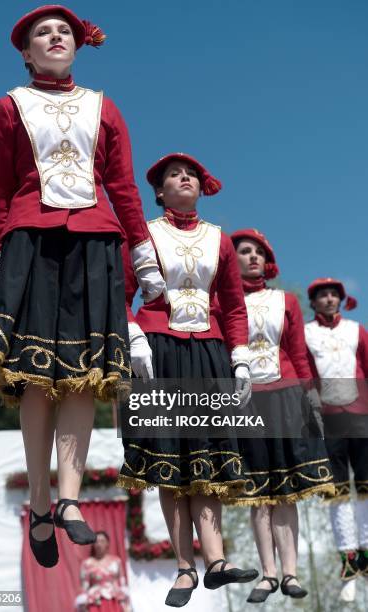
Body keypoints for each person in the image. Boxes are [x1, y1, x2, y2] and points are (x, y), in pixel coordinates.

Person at [0, 5, 165, 568]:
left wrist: (144, 253)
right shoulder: (9, 106)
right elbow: (5, 184)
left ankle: (68, 499)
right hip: (30, 238)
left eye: (64, 31)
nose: (55, 37)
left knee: (83, 378)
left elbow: (123, 185)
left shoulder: (103, 106)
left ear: (77, 45)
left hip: (95, 239)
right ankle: (39, 501)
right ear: (26, 51)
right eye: (43, 32)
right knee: (35, 376)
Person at [117, 153, 258, 607]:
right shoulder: (143, 234)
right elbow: (120, 293)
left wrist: (239, 357)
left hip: (210, 351)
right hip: (158, 352)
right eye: (174, 175)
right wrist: (134, 336)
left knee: (207, 461)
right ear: (158, 191)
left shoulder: (219, 239)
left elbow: (234, 305)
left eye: (192, 174)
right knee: (169, 463)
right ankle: (183, 567)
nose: (185, 178)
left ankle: (215, 562)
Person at [229, 229, 335, 603]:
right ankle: (267, 574)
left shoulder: (285, 300)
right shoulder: (224, 302)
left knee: (286, 490)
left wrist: (311, 396)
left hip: (286, 395)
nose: (253, 257)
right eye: (245, 251)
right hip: (245, 401)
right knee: (258, 492)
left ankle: (290, 572)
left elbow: (297, 351)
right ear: (233, 257)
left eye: (259, 251)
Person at [305, 278, 368, 598]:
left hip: (362, 415)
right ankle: (349, 563)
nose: (329, 300)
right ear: (313, 302)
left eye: (334, 295)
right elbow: (304, 374)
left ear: (341, 300)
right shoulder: (306, 333)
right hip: (328, 420)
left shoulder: (357, 329)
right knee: (338, 492)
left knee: (366, 488)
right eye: (322, 296)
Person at [75, 531, 131, 612]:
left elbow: (122, 582)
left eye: (102, 541)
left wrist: (126, 604)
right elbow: (84, 586)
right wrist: (83, 605)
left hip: (114, 600)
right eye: (96, 541)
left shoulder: (116, 561)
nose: (99, 544)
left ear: (107, 544)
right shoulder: (87, 564)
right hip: (95, 601)